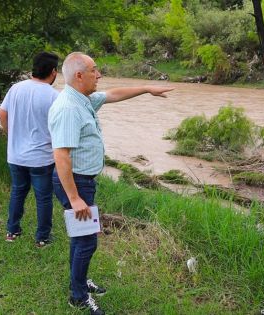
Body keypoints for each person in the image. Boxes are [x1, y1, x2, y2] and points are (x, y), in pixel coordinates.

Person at [48, 52, 174, 315]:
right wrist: (74, 198)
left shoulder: (82, 99)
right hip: (76, 184)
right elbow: (61, 156)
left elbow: (112, 94)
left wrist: (147, 88)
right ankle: (78, 297)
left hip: (83, 182)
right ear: (79, 75)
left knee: (80, 238)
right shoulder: (69, 108)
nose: (100, 74)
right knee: (87, 242)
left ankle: (79, 282)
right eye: (95, 70)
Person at [0, 52, 59, 247]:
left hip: (15, 155)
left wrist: (11, 135)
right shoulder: (54, 96)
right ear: (53, 72)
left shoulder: (16, 88)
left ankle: (12, 231)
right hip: (41, 158)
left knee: (17, 192)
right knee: (43, 198)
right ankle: (42, 238)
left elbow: (2, 113)